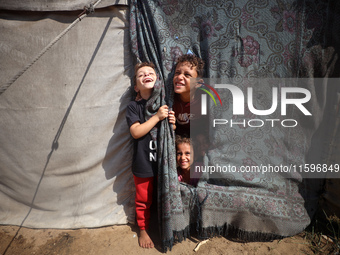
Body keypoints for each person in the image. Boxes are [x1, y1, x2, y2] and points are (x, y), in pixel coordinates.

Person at [125, 62, 175, 248]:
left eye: (150, 73)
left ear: (158, 79)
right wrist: (157, 117)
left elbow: (171, 134)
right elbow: (136, 132)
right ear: (136, 87)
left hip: (163, 162)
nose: (146, 74)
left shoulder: (164, 104)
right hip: (143, 162)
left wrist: (172, 123)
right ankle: (143, 229)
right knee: (143, 199)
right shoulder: (133, 107)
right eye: (141, 74)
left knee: (164, 194)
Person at [172, 54, 206, 138]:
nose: (179, 77)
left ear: (198, 83)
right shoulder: (170, 100)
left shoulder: (204, 101)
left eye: (187, 75)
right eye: (177, 73)